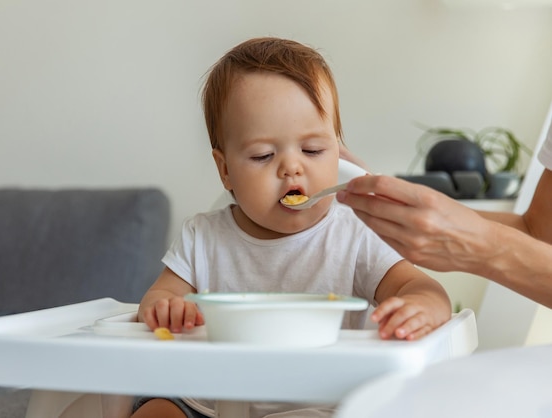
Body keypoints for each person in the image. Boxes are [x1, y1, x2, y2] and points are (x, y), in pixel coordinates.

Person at [132, 37, 451, 418]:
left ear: (337, 152)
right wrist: (165, 307)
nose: (291, 167)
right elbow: (159, 296)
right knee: (155, 410)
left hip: (320, 404)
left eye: (313, 150)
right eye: (263, 155)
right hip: (207, 401)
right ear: (225, 170)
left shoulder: (355, 234)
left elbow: (419, 286)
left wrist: (421, 306)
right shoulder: (203, 236)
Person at [336, 125, 552, 308]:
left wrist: (485, 245)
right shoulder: (351, 224)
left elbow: (423, 294)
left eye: (312, 150)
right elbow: (538, 232)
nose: (299, 166)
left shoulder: (356, 240)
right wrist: (389, 204)